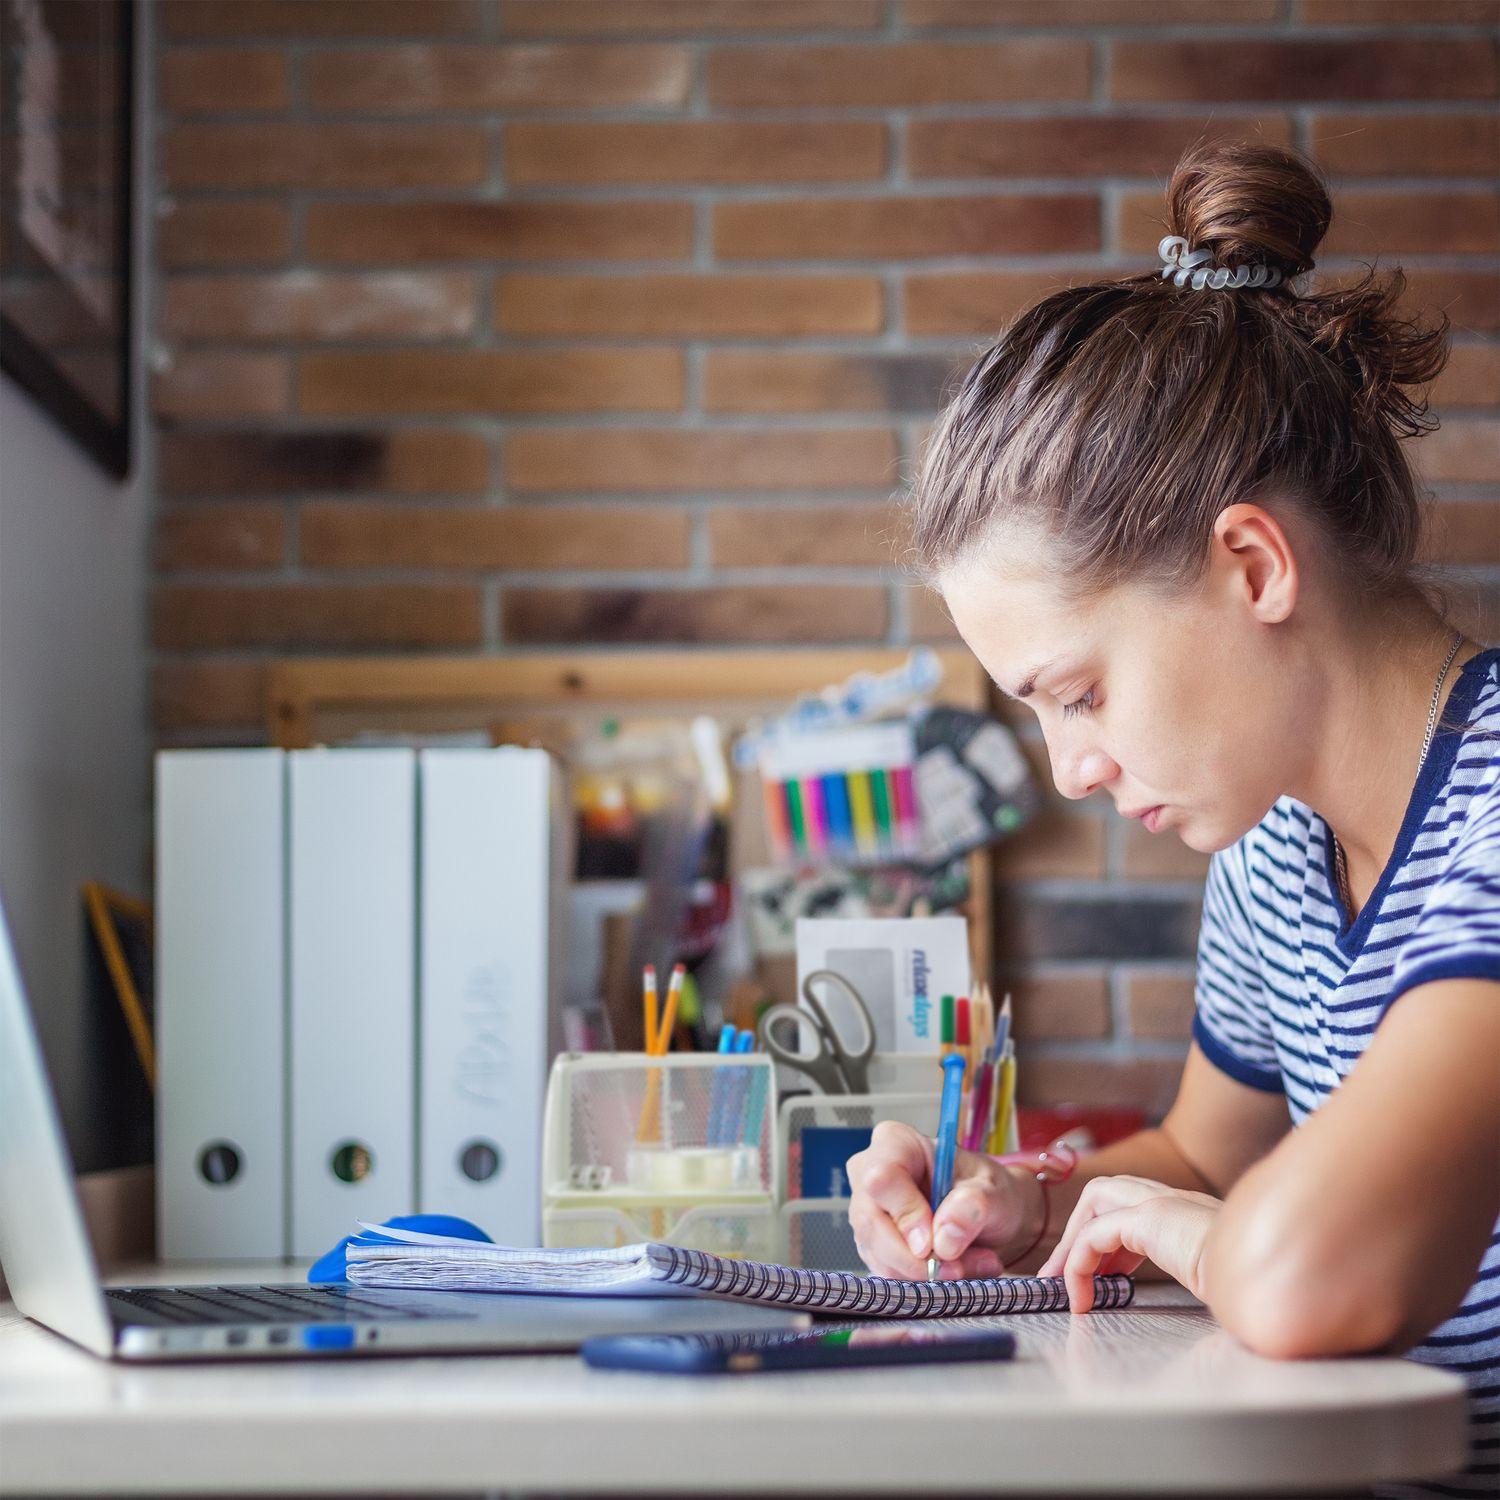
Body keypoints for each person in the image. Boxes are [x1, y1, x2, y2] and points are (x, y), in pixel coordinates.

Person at [845, 142, 1498, 1499]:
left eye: (1078, 693)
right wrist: (1030, 1199)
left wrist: (1165, 1221)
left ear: (1253, 565)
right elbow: (1212, 1156)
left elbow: (1306, 1275)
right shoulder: (1274, 846)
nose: (1071, 768)